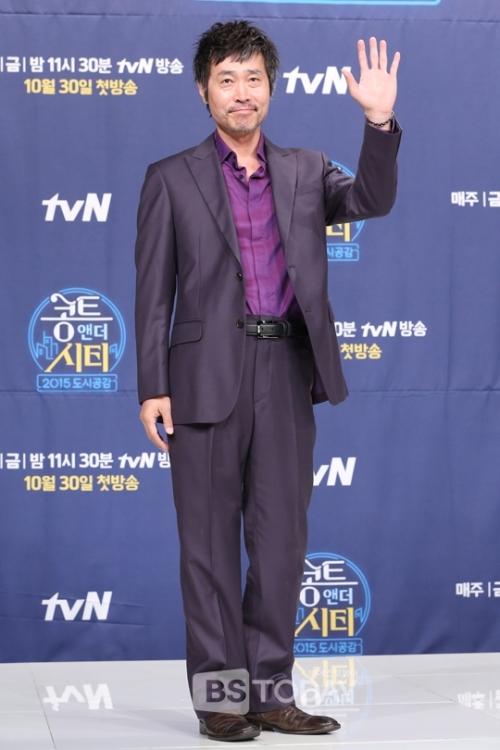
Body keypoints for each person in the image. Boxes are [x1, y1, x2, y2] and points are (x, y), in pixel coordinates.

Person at [134, 19, 401, 741]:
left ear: (271, 89)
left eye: (253, 78)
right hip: (203, 380)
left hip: (286, 371)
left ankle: (271, 695)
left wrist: (379, 124)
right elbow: (153, 294)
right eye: (227, 79)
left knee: (281, 545)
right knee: (208, 551)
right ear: (204, 91)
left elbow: (372, 201)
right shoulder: (170, 178)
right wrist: (152, 385)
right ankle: (222, 700)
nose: (241, 92)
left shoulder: (308, 169)